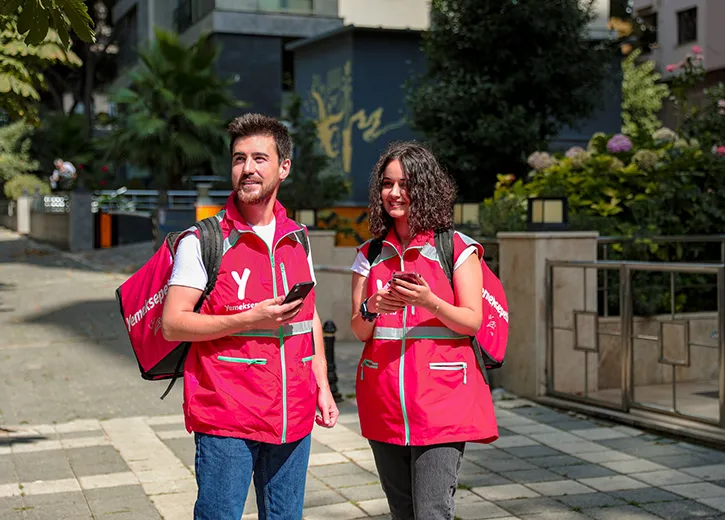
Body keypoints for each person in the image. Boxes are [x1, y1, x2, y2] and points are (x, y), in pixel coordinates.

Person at [162, 113, 339, 520]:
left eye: (260, 158)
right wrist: (249, 319)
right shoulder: (203, 240)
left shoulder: (298, 238)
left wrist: (322, 385)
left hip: (292, 413)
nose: (248, 169)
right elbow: (173, 323)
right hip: (227, 415)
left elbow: (309, 317)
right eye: (239, 159)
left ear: (284, 167)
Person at [349, 141, 498, 520]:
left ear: (426, 187)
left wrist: (430, 301)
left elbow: (472, 320)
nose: (394, 193)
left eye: (406, 184)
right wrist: (372, 306)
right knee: (401, 511)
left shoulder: (456, 248)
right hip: (383, 400)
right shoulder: (369, 254)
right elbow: (359, 331)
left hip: (442, 402)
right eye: (387, 183)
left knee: (431, 511)